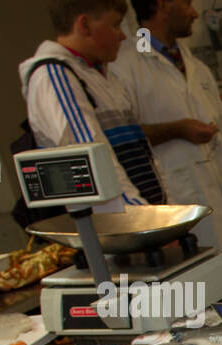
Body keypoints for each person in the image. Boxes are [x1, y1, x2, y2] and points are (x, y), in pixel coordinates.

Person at [111, 0, 222, 278]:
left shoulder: (195, 65)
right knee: (206, 296)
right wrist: (177, 129)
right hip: (180, 211)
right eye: (187, 3)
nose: (194, 13)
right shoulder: (124, 66)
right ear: (163, 5)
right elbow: (120, 139)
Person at [19, 0, 167, 212]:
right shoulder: (54, 76)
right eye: (115, 25)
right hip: (122, 227)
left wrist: (166, 210)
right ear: (85, 25)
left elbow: (145, 155)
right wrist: (146, 220)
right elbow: (94, 163)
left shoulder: (105, 76)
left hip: (149, 220)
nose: (123, 36)